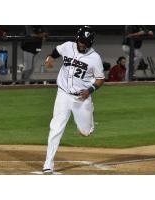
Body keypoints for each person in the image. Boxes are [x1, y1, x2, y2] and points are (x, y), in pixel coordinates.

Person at [42, 26, 105, 174]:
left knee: (85, 131)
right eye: (81, 41)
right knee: (56, 127)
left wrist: (90, 91)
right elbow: (57, 51)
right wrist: (50, 57)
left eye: (86, 42)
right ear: (77, 38)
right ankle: (48, 163)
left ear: (91, 43)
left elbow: (100, 79)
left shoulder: (95, 58)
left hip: (81, 98)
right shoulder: (68, 46)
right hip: (63, 94)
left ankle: (88, 122)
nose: (82, 44)